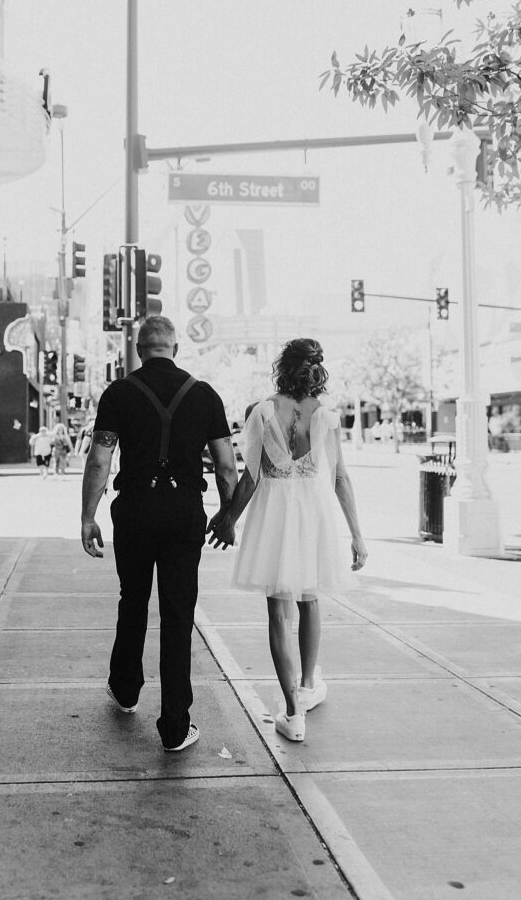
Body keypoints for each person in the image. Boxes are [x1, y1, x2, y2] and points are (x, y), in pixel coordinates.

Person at [81, 315, 237, 753]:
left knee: (133, 600)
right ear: (175, 347)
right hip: (184, 514)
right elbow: (226, 466)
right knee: (177, 615)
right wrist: (227, 515)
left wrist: (87, 515)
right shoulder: (203, 394)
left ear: (138, 348)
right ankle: (174, 727)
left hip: (134, 512)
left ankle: (126, 690)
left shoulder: (119, 393)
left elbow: (99, 459)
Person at [208, 338, 368, 744]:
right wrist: (357, 536)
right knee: (310, 599)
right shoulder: (327, 416)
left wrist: (229, 518)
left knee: (279, 615)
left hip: (275, 517)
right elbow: (339, 479)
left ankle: (293, 712)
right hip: (311, 516)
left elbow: (251, 477)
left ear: (283, 366)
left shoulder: (261, 412)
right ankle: (310, 684)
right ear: (317, 369)